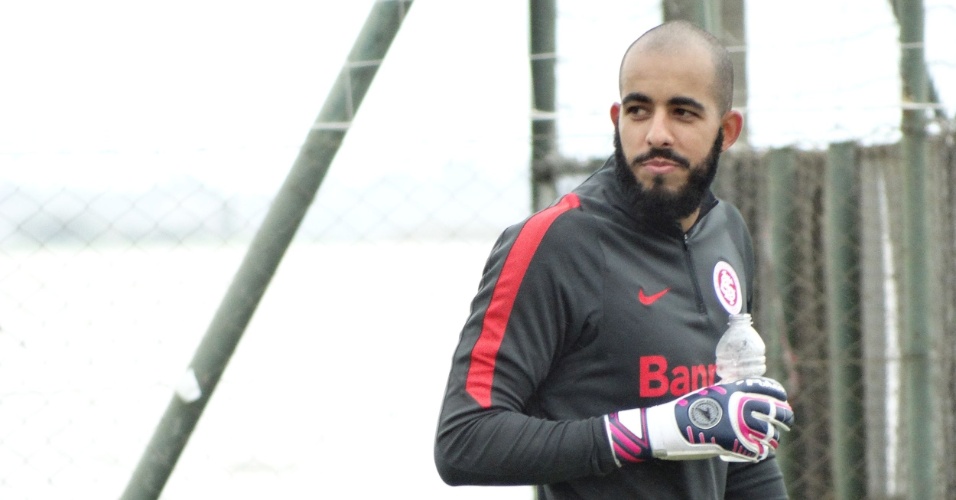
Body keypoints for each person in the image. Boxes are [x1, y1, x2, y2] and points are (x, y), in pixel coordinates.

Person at [434, 20, 795, 499]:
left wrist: (715, 426)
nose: (656, 133)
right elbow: (464, 440)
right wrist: (653, 431)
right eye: (639, 110)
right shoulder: (555, 243)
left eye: (683, 113)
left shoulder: (727, 232)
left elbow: (739, 450)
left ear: (727, 130)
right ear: (616, 117)